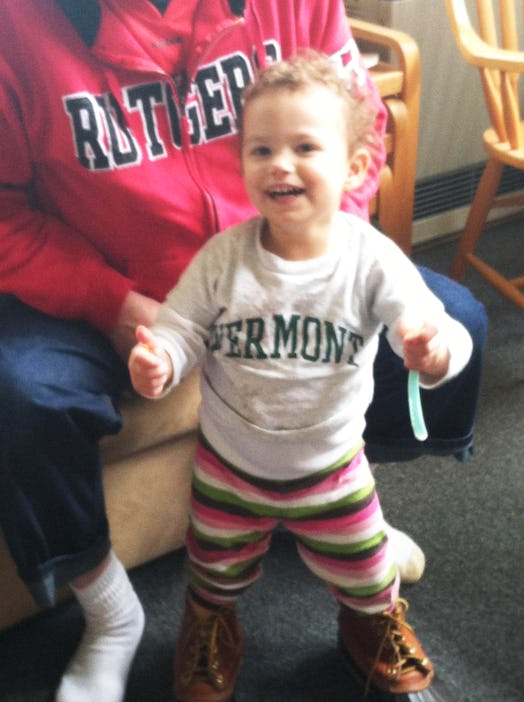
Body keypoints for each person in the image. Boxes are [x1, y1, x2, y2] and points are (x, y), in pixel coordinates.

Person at [0, 2, 486, 701]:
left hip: (285, 249)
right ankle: (111, 613)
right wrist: (111, 303)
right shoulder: (19, 26)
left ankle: (340, 517)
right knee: (23, 395)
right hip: (121, 285)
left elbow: (362, 126)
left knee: (458, 314)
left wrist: (323, 260)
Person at [128, 52, 473, 701]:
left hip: (334, 468)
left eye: (305, 147)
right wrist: (162, 360)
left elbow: (438, 328)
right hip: (230, 467)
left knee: (368, 571)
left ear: (356, 165)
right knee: (212, 570)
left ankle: (368, 626)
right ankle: (210, 626)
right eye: (261, 150)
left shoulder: (370, 259)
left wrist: (436, 353)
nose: (279, 164)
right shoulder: (223, 259)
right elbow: (179, 325)